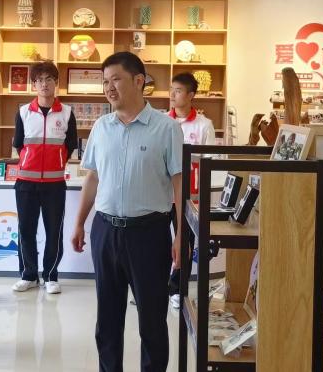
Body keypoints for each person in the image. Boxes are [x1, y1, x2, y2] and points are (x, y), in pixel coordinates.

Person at [72, 52, 184, 372]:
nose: (109, 87)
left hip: (149, 234)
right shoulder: (101, 127)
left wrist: (181, 236)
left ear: (138, 81)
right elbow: (92, 177)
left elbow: (179, 186)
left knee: (152, 319)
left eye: (116, 79)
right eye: (105, 81)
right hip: (105, 231)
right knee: (107, 318)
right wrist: (79, 223)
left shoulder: (166, 128)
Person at [12, 60, 78, 294]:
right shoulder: (23, 112)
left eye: (49, 79)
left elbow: (70, 145)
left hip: (54, 184)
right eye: (39, 80)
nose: (44, 84)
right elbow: (19, 144)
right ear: (34, 84)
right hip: (25, 183)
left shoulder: (67, 113)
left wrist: (55, 162)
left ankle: (51, 276)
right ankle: (28, 275)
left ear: (56, 82)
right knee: (26, 231)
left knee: (54, 231)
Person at [166, 72, 216, 309]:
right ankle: (157, 287)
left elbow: (210, 163)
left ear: (191, 95)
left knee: (185, 243)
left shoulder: (204, 125)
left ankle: (178, 289)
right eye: (171, 90)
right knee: (157, 243)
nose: (172, 95)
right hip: (162, 195)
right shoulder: (163, 122)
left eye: (178, 91)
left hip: (189, 197)